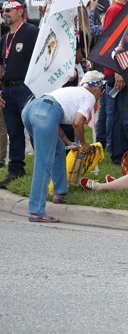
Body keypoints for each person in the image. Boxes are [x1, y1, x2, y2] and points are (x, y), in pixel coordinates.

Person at [21, 72, 105, 222]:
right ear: (95, 88)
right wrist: (84, 143)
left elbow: (53, 118)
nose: (101, 93)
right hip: (45, 113)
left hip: (31, 109)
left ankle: (59, 192)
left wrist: (67, 142)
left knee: (58, 150)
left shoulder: (73, 91)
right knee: (43, 162)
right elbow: (78, 122)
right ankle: (36, 212)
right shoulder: (89, 96)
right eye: (102, 89)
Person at [0, 0, 40, 188]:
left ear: (20, 12)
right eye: (3, 10)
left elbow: (43, 57)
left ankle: (42, 169)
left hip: (26, 88)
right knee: (14, 132)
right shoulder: (4, 38)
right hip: (7, 89)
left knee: (33, 129)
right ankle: (15, 170)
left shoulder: (31, 31)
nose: (5, 13)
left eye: (9, 10)